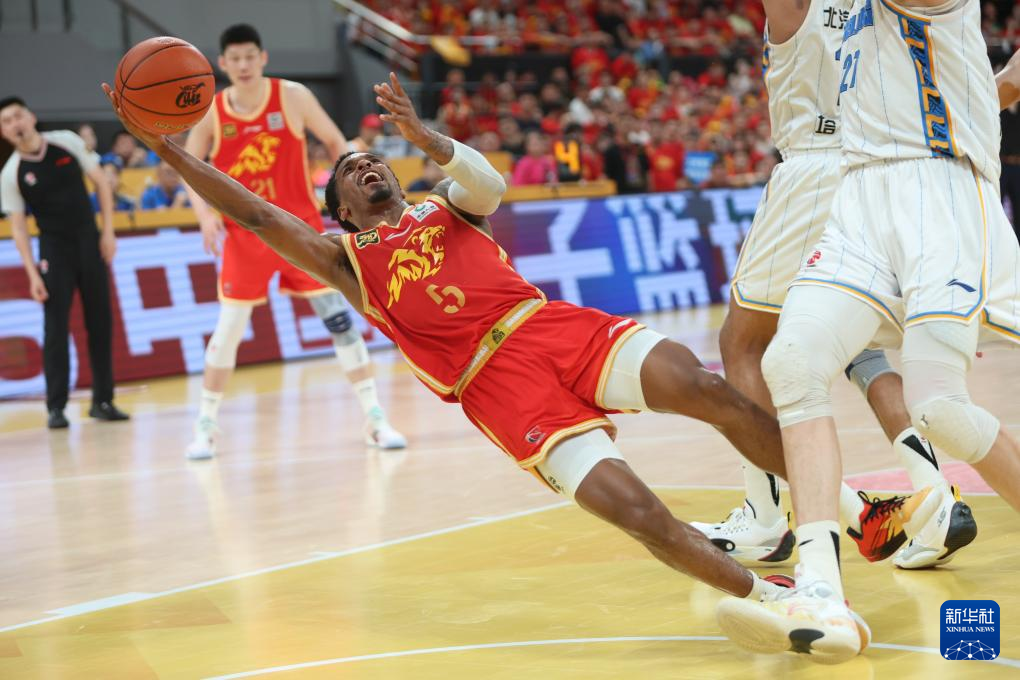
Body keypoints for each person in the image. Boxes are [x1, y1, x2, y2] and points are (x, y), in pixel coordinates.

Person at [103, 72, 931, 635]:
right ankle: (780, 602)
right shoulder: (347, 261)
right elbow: (256, 215)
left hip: (549, 326)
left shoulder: (444, 206)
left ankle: (856, 511)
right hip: (498, 389)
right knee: (637, 513)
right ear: (342, 210)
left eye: (373, 158)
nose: (366, 166)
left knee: (706, 387)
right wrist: (173, 153)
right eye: (351, 172)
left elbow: (489, 187)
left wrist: (428, 138)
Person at [717, 0, 1020, 664]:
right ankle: (820, 594)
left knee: (940, 408)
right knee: (792, 361)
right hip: (859, 194)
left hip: (937, 194)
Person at [690, 0, 976, 573]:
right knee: (859, 348)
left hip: (813, 173)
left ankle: (766, 517)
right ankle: (936, 496)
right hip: (875, 171)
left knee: (743, 344)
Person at [179, 24, 405, 459]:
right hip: (245, 235)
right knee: (228, 330)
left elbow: (337, 143)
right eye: (234, 59)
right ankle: (205, 425)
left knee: (340, 320)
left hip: (300, 231)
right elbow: (189, 165)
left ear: (262, 57)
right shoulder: (214, 111)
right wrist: (205, 216)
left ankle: (375, 418)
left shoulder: (293, 96)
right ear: (223, 64)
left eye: (250, 56)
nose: (243, 65)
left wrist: (352, 199)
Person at [0, 97, 130, 428]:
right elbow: (18, 229)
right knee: (55, 329)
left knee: (100, 323)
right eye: (6, 122)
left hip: (90, 241)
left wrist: (108, 232)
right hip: (54, 251)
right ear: (3, 132)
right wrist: (32, 274)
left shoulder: (66, 142)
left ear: (31, 117)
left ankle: (103, 401)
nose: (15, 124)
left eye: (18, 116)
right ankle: (56, 408)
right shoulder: (12, 173)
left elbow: (101, 183)